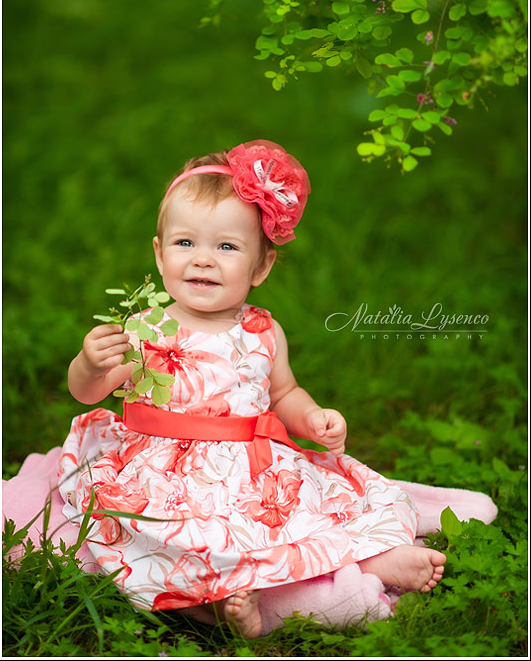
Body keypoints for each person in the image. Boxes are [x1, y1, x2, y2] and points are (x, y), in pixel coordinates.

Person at [58, 139, 446, 638]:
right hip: (164, 473)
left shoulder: (263, 331)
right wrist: (90, 364)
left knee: (307, 513)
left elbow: (283, 394)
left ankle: (371, 559)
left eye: (226, 247)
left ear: (260, 267)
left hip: (252, 471)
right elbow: (88, 392)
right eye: (185, 243)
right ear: (159, 253)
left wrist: (312, 418)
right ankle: (224, 599)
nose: (203, 260)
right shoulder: (143, 328)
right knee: (173, 532)